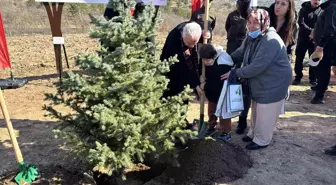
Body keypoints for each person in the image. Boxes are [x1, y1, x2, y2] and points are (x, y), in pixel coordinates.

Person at [221, 9, 292, 150]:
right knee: (256, 109)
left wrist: (235, 72)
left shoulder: (270, 40)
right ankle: (253, 133)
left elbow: (257, 67)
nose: (252, 26)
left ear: (264, 22)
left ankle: (262, 140)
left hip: (274, 83)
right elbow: (239, 54)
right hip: (260, 82)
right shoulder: (251, 37)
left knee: (265, 112)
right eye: (250, 22)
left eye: (256, 23)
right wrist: (224, 59)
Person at [160, 21, 203, 106]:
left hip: (185, 71)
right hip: (173, 71)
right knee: (175, 95)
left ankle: (183, 115)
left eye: (195, 43)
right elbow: (185, 67)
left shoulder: (193, 29)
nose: (192, 46)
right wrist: (195, 84)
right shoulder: (174, 41)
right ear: (183, 36)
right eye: (189, 43)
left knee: (184, 95)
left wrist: (207, 36)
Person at [199, 44, 233, 141]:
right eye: (204, 60)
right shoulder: (208, 60)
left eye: (208, 60)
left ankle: (226, 132)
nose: (206, 62)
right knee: (211, 111)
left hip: (223, 92)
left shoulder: (222, 64)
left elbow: (216, 83)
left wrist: (204, 86)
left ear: (214, 56)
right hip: (213, 93)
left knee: (224, 114)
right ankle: (211, 126)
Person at [311, 0, 336, 104]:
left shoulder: (332, 7)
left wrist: (321, 45)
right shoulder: (328, 6)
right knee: (322, 68)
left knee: (324, 69)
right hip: (325, 44)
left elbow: (330, 28)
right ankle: (319, 88)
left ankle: (319, 96)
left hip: (328, 45)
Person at [292, 0, 322, 86]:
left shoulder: (322, 10)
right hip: (303, 38)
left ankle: (313, 79)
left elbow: (322, 24)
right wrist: (311, 32)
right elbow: (301, 23)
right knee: (299, 58)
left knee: (313, 59)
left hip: (315, 39)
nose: (316, 1)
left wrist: (315, 33)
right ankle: (298, 77)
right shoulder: (304, 9)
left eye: (319, 0)